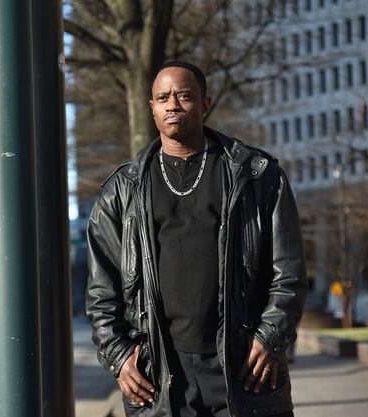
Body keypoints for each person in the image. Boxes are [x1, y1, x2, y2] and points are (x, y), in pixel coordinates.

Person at [85, 61, 307, 417]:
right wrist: (119, 355)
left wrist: (269, 338)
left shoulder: (258, 178)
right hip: (159, 377)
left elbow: (290, 276)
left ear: (205, 103)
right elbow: (101, 294)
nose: (173, 104)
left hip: (242, 368)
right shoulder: (120, 192)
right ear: (152, 108)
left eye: (184, 95)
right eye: (163, 97)